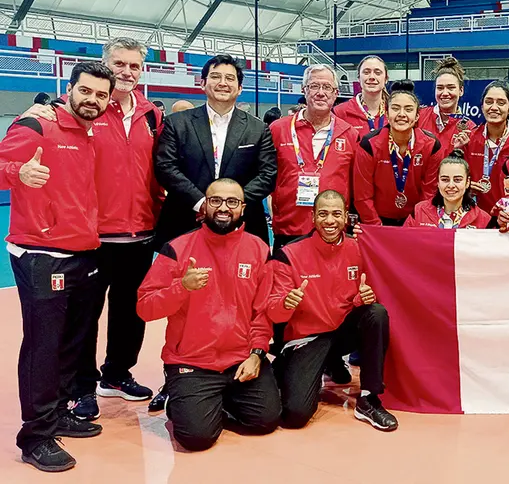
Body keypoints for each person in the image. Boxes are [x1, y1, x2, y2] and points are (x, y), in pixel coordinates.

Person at [19, 38, 165, 420]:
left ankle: (117, 374)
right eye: (119, 63)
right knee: (84, 317)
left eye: (134, 66)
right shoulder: (85, 111)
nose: (127, 72)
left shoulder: (151, 115)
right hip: (92, 236)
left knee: (131, 311)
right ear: (105, 64)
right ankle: (81, 388)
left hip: (140, 233)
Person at [0, 61, 114, 472]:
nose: (93, 100)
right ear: (69, 89)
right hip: (40, 253)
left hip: (82, 251)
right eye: (86, 91)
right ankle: (35, 436)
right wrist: (18, 171)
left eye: (101, 95)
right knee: (43, 346)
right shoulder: (35, 126)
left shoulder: (89, 134)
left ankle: (59, 412)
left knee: (72, 342)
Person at [136, 179, 279, 451]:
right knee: (197, 439)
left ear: (243, 208)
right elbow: (145, 307)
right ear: (205, 206)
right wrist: (181, 287)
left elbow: (262, 312)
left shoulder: (259, 249)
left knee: (266, 420)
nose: (223, 208)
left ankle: (216, 401)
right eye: (216, 201)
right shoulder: (178, 248)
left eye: (232, 202)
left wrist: (256, 353)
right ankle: (179, 396)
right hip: (192, 362)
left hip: (240, 360)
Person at [268, 190, 398, 431]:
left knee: (376, 313)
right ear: (313, 217)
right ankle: (294, 368)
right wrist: (286, 303)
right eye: (323, 214)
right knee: (295, 415)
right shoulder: (288, 254)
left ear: (346, 217)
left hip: (341, 332)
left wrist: (363, 298)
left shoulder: (358, 248)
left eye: (337, 214)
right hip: (308, 337)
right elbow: (274, 313)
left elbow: (358, 296)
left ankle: (368, 398)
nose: (330, 221)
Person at [153, 54, 277, 248]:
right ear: (202, 83)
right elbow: (166, 167)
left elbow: (268, 174)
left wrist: (231, 205)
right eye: (215, 76)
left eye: (229, 78)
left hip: (243, 224)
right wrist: (201, 203)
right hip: (185, 219)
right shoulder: (177, 123)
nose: (222, 83)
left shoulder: (258, 129)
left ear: (240, 88)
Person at [269, 64, 359, 250]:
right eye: (314, 86)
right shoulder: (278, 129)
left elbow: (356, 184)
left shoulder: (349, 134)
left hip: (333, 229)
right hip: (288, 229)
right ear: (304, 90)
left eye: (327, 87)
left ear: (335, 93)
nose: (320, 93)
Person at [354, 87, 446, 226]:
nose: (401, 114)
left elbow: (430, 193)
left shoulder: (432, 146)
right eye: (396, 108)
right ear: (386, 112)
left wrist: (414, 225)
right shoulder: (369, 145)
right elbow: (363, 196)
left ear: (416, 116)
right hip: (377, 220)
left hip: (415, 220)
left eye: (408, 109)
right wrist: (377, 229)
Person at [465, 79, 509, 209]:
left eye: (501, 103)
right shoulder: (470, 138)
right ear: (482, 107)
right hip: (479, 216)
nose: (494, 107)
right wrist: (465, 186)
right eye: (489, 102)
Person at [405, 151, 492, 228]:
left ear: (467, 182)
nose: (451, 185)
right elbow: (403, 242)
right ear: (438, 182)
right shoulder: (419, 211)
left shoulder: (483, 219)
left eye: (457, 180)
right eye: (445, 179)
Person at [417, 57, 475, 150]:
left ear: (461, 90)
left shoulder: (469, 128)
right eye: (440, 88)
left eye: (450, 87)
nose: (444, 93)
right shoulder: (419, 117)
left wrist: (460, 151)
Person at [334, 55, 389, 138]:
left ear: (386, 79)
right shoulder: (341, 112)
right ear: (359, 78)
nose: (372, 77)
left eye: (377, 73)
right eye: (366, 72)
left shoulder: (395, 111)